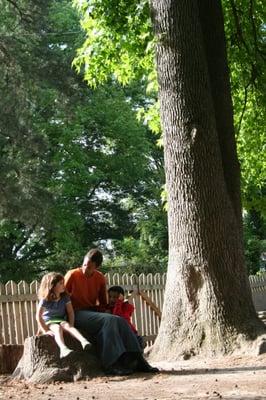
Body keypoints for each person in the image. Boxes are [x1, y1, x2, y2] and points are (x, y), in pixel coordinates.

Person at [64, 248, 159, 375]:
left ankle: (138, 359)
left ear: (97, 267)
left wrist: (108, 310)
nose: (85, 269)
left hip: (93, 312)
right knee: (110, 320)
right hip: (76, 313)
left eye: (90, 267)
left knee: (118, 320)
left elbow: (103, 302)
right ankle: (110, 364)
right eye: (84, 265)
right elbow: (61, 297)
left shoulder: (100, 278)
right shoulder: (72, 275)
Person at [36, 272, 91, 358]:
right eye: (60, 283)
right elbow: (38, 317)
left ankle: (83, 341)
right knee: (57, 328)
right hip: (49, 321)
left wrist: (71, 324)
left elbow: (70, 312)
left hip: (60, 319)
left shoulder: (65, 297)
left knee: (67, 325)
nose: (63, 285)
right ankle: (63, 349)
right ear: (52, 285)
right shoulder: (45, 299)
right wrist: (45, 330)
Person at [106, 285, 144, 350]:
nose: (111, 299)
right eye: (110, 297)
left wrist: (118, 303)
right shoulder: (107, 308)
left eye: (115, 297)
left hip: (130, 333)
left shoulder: (127, 307)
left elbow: (118, 318)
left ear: (121, 298)